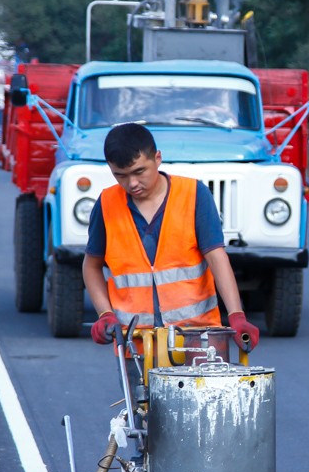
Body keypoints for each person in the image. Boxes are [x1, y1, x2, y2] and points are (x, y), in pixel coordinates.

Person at [82, 122, 259, 352]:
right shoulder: (106, 204)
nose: (132, 183)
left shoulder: (194, 195)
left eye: (139, 172)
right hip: (136, 344)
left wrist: (236, 315)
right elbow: (91, 265)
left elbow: (217, 257)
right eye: (120, 175)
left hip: (198, 340)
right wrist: (105, 314)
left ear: (157, 158)